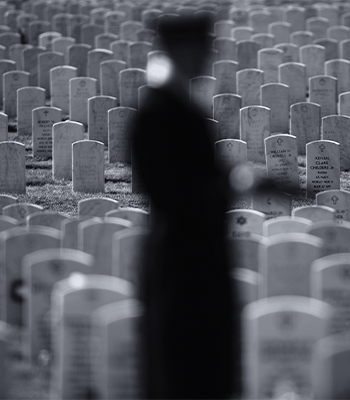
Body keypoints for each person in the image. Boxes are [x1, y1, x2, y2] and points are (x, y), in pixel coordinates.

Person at [131, 13, 240, 399]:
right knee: (183, 370)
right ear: (182, 50)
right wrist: (233, 186)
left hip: (197, 259)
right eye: (204, 48)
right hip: (182, 263)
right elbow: (175, 193)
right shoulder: (159, 114)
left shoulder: (179, 107)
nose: (208, 57)